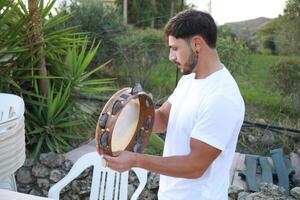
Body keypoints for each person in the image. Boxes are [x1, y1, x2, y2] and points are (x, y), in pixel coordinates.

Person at [103, 9, 245, 200]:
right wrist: (136, 110)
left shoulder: (222, 97)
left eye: (175, 48)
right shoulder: (189, 80)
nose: (171, 56)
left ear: (197, 44)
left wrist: (136, 160)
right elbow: (162, 119)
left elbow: (195, 166)